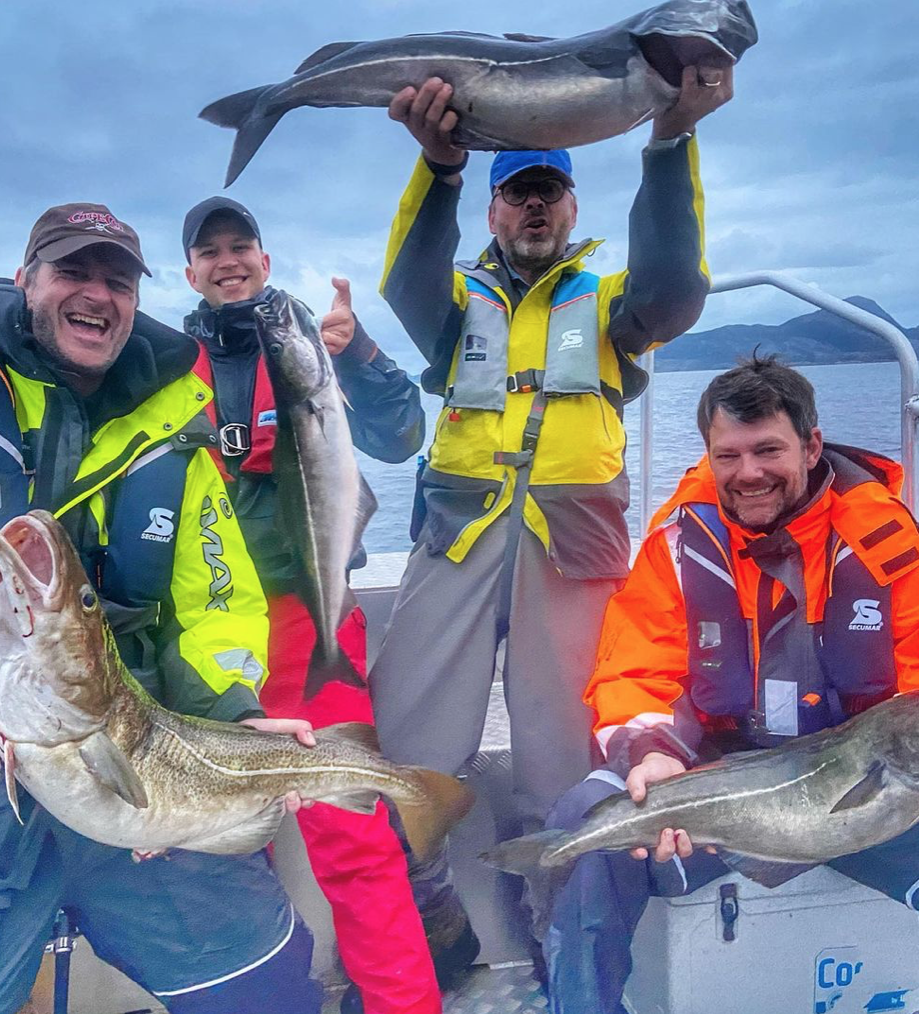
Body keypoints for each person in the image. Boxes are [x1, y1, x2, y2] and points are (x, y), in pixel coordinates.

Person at [0, 203, 325, 1014]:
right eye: (73, 271)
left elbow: (219, 602)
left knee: (263, 980)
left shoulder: (174, 429)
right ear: (26, 280)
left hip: (126, 734)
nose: (97, 294)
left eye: (118, 280)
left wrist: (229, 715)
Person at [369, 66, 734, 968]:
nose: (534, 208)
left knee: (564, 757)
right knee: (409, 743)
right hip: (457, 536)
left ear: (571, 208)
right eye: (517, 194)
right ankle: (435, 914)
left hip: (573, 552)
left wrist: (667, 143)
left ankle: (555, 927)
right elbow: (406, 282)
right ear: (493, 212)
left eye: (549, 193)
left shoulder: (612, 307)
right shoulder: (457, 307)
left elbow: (677, 287)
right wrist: (441, 171)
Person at [545, 355, 919, 1013]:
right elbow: (634, 670)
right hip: (722, 786)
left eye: (768, 450)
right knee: (584, 826)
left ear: (811, 445)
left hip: (873, 791)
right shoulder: (676, 545)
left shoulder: (889, 545)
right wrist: (650, 753)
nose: (748, 473)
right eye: (729, 455)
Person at [180, 197, 438, 1014]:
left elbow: (400, 436)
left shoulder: (308, 354)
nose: (229, 261)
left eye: (242, 245)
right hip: (199, 633)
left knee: (352, 829)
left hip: (307, 616)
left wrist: (358, 351)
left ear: (263, 256)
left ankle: (402, 1003)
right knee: (212, 835)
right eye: (210, 250)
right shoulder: (164, 362)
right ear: (189, 271)